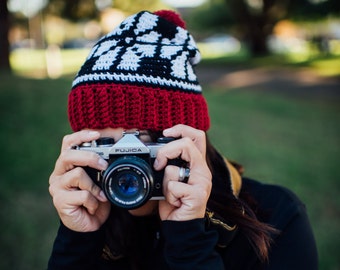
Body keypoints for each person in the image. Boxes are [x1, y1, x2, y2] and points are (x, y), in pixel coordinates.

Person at [48, 10, 318, 270]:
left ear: (190, 139)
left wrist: (189, 240)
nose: (125, 166)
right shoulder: (94, 213)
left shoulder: (279, 217)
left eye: (144, 143)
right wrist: (76, 242)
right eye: (106, 147)